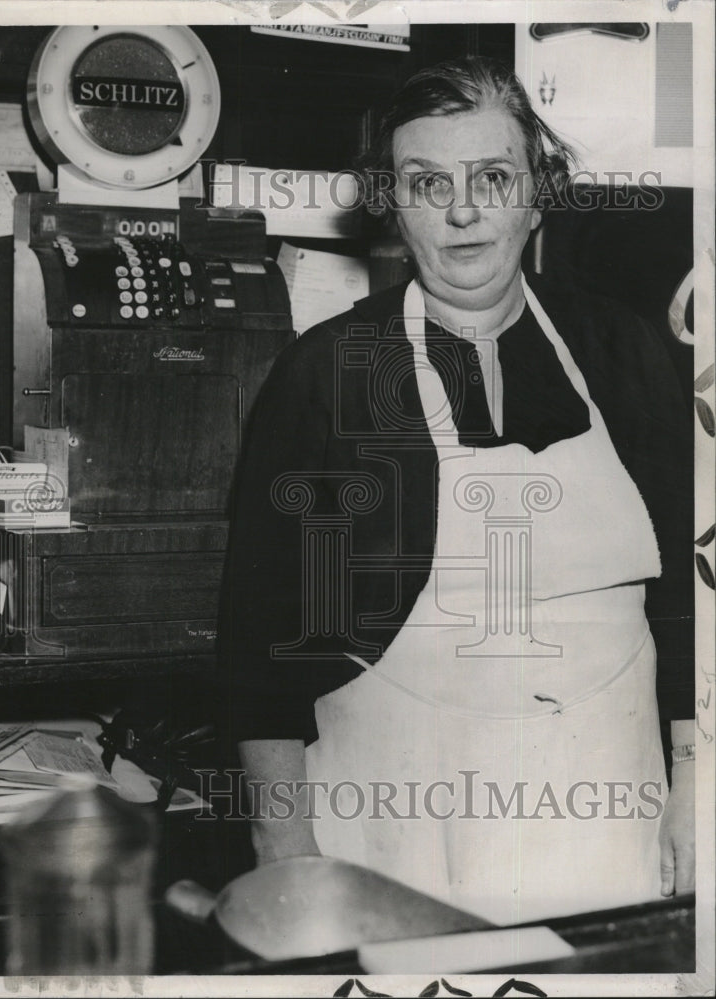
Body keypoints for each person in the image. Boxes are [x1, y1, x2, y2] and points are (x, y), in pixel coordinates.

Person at [217, 56, 695, 925]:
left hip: (610, 798)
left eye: (491, 177)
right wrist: (284, 852)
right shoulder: (326, 374)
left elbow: (690, 598)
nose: (463, 209)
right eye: (427, 182)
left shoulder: (620, 350)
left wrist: (696, 780)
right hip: (401, 812)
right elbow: (261, 652)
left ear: (536, 194)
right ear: (393, 207)